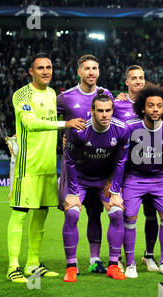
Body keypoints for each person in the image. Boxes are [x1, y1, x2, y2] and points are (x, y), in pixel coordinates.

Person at [7, 53, 85, 283]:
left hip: (48, 166)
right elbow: (30, 123)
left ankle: (32, 263)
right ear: (31, 71)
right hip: (27, 166)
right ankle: (13, 266)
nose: (45, 71)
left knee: (41, 215)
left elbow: (74, 110)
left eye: (49, 67)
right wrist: (64, 124)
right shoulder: (22, 94)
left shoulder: (52, 94)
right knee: (20, 213)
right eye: (40, 68)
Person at [62, 90, 130, 282]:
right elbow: (71, 162)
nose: (105, 114)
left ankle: (113, 265)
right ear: (91, 111)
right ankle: (71, 267)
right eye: (100, 111)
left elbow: (120, 162)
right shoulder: (79, 131)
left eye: (108, 110)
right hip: (81, 179)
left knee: (117, 212)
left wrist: (115, 191)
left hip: (103, 181)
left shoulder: (122, 129)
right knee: (72, 213)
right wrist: (73, 193)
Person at [57, 54, 115, 274]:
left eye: (95, 68)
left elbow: (114, 126)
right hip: (74, 164)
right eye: (87, 68)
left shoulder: (106, 96)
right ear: (79, 71)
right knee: (71, 212)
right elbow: (50, 117)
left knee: (95, 213)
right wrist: (62, 134)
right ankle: (71, 264)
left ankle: (94, 260)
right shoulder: (66, 97)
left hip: (100, 163)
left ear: (99, 71)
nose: (91, 72)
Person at [122, 84, 163, 278]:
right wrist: (115, 184)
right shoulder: (130, 127)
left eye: (159, 106)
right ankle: (130, 264)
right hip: (134, 178)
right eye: (151, 105)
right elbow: (121, 158)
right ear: (143, 108)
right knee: (129, 217)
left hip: (160, 178)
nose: (155, 109)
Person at [113, 65, 159, 272]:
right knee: (125, 215)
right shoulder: (117, 104)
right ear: (127, 82)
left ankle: (148, 256)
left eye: (141, 77)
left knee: (152, 214)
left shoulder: (154, 102)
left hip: (152, 166)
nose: (139, 81)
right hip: (127, 169)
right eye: (134, 78)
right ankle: (120, 257)